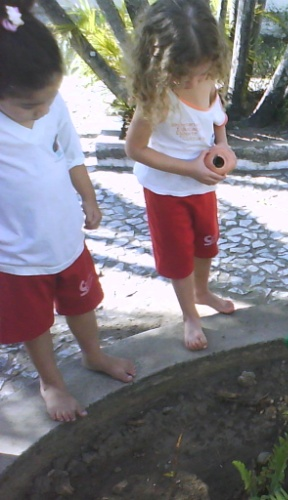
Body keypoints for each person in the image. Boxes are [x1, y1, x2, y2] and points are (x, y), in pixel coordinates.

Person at [0, 0, 136, 422]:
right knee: (35, 325)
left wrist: (89, 197)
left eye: (49, 99)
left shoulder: (50, 105)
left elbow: (72, 154)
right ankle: (51, 382)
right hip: (18, 256)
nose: (42, 111)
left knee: (82, 304)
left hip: (67, 239)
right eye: (29, 106)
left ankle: (93, 355)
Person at [125, 0, 236, 351]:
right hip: (165, 191)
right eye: (185, 75)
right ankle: (189, 314)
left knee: (206, 244)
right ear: (160, 63)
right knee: (178, 256)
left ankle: (202, 291)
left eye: (202, 73)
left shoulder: (208, 84)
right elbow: (136, 149)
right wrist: (190, 168)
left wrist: (224, 149)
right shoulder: (156, 96)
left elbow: (218, 122)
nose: (194, 81)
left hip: (202, 186)